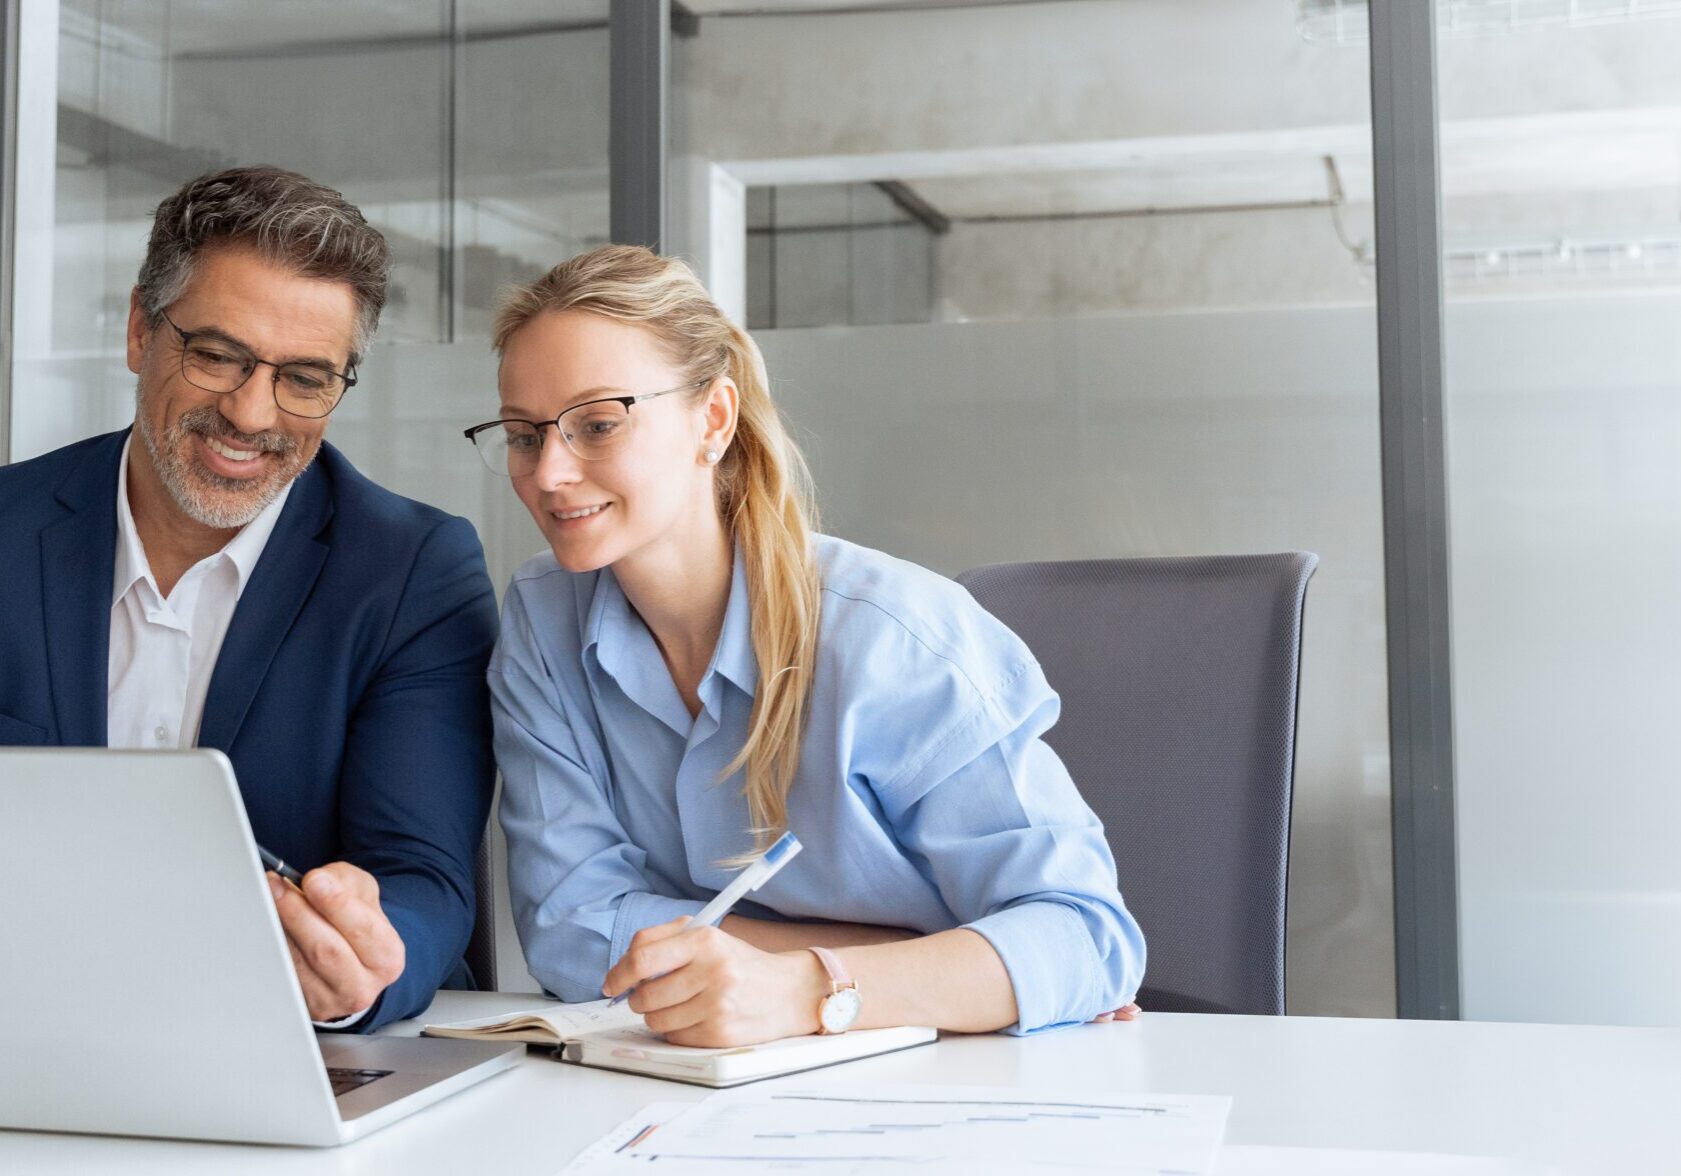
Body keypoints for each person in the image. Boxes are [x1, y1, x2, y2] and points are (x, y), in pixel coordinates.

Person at [474, 244, 1145, 1048]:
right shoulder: (543, 623)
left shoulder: (889, 636)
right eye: (523, 434)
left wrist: (808, 988)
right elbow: (575, 933)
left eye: (596, 424)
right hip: (701, 1080)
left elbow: (1085, 939)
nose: (548, 472)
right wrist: (917, 966)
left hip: (950, 1083)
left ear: (712, 420)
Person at [0, 167, 497, 1031]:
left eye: (305, 377)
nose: (251, 411)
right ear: (138, 332)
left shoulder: (412, 571)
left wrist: (361, 975)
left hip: (267, 1035)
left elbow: (422, 878)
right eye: (218, 355)